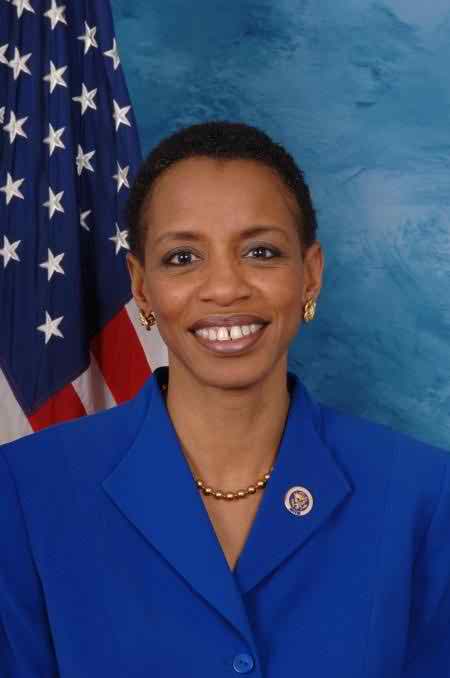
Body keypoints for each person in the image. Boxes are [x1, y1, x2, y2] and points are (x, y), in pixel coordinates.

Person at [0, 121, 449, 677]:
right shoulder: (23, 493)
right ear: (141, 287)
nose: (225, 287)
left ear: (310, 276)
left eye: (261, 251)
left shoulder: (424, 496)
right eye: (182, 258)